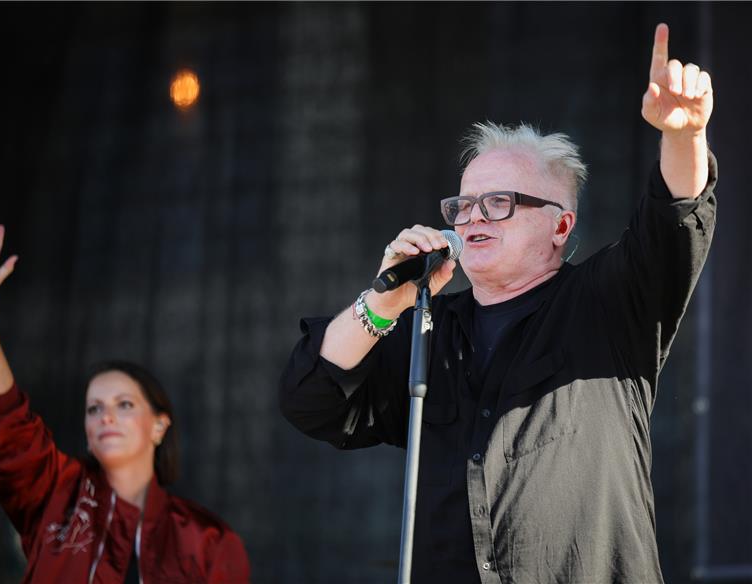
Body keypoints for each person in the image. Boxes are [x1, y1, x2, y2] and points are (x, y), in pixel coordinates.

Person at [280, 23, 715, 584]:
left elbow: (675, 219)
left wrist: (683, 136)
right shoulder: (428, 330)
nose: (473, 217)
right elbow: (311, 399)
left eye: (500, 202)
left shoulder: (607, 302)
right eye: (463, 205)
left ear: (560, 225)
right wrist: (387, 301)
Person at [0, 222, 251, 583]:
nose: (106, 416)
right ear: (86, 430)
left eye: (124, 404)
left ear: (159, 425)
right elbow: (5, 420)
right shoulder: (53, 495)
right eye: (94, 408)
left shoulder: (208, 538)